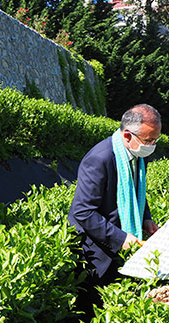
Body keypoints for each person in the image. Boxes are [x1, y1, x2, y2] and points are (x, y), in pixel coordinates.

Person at [68, 104, 161, 289]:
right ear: (127, 135)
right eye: (149, 140)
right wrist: (119, 238)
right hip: (97, 253)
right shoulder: (99, 159)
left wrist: (146, 219)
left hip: (120, 243)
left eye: (155, 140)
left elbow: (136, 190)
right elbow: (83, 212)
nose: (152, 146)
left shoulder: (138, 154)